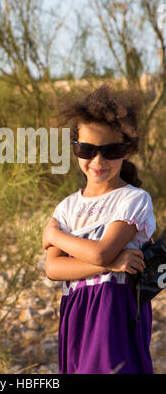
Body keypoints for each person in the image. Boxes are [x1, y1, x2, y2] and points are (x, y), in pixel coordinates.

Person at [42, 84, 156, 374]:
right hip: (77, 307)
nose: (98, 160)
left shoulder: (133, 199)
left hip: (114, 309)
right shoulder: (67, 206)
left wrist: (55, 235)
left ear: (127, 150)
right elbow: (53, 269)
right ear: (75, 148)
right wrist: (111, 264)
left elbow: (103, 252)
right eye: (87, 149)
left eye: (111, 150)